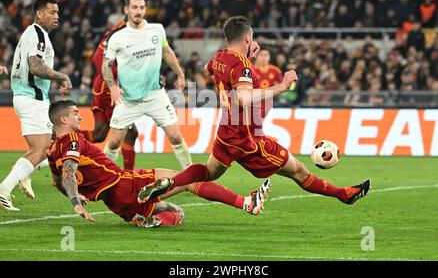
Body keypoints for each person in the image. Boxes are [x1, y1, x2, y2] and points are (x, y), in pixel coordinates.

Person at [138, 16, 370, 207]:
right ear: (247, 38)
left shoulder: (220, 57)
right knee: (299, 171)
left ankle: (167, 184)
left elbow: (208, 69)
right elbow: (244, 97)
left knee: (208, 173)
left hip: (226, 131)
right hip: (248, 139)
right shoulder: (242, 65)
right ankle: (343, 194)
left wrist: (246, 60)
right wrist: (281, 86)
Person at [47, 99, 271, 228]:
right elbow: (68, 171)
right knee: (188, 180)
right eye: (76, 113)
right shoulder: (72, 140)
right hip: (123, 184)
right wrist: (76, 202)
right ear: (64, 119)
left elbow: (57, 181)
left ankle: (144, 219)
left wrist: (75, 196)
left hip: (115, 204)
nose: (80, 117)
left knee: (177, 214)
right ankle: (246, 203)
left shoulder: (53, 150)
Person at [102, 0, 192, 170]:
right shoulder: (117, 37)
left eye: (142, 7)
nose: (138, 11)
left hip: (155, 95)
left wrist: (180, 74)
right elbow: (106, 65)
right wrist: (112, 87)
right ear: (126, 10)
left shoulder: (157, 30)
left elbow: (167, 52)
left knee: (175, 137)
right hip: (128, 98)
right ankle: (103, 176)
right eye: (134, 7)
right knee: (113, 142)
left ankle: (192, 174)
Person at [0, 0, 72, 211]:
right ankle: (4, 189)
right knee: (42, 150)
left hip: (31, 98)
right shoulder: (38, 34)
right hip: (32, 99)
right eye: (52, 12)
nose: (56, 16)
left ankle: (22, 173)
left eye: (58, 12)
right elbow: (35, 66)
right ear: (39, 13)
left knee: (50, 148)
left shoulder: (34, 34)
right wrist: (62, 76)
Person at [80, 18, 139, 170]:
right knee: (130, 133)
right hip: (109, 90)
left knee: (99, 134)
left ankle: (63, 137)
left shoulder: (129, 31)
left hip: (107, 87)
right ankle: (129, 176)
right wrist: (114, 83)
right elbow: (98, 59)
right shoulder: (118, 32)